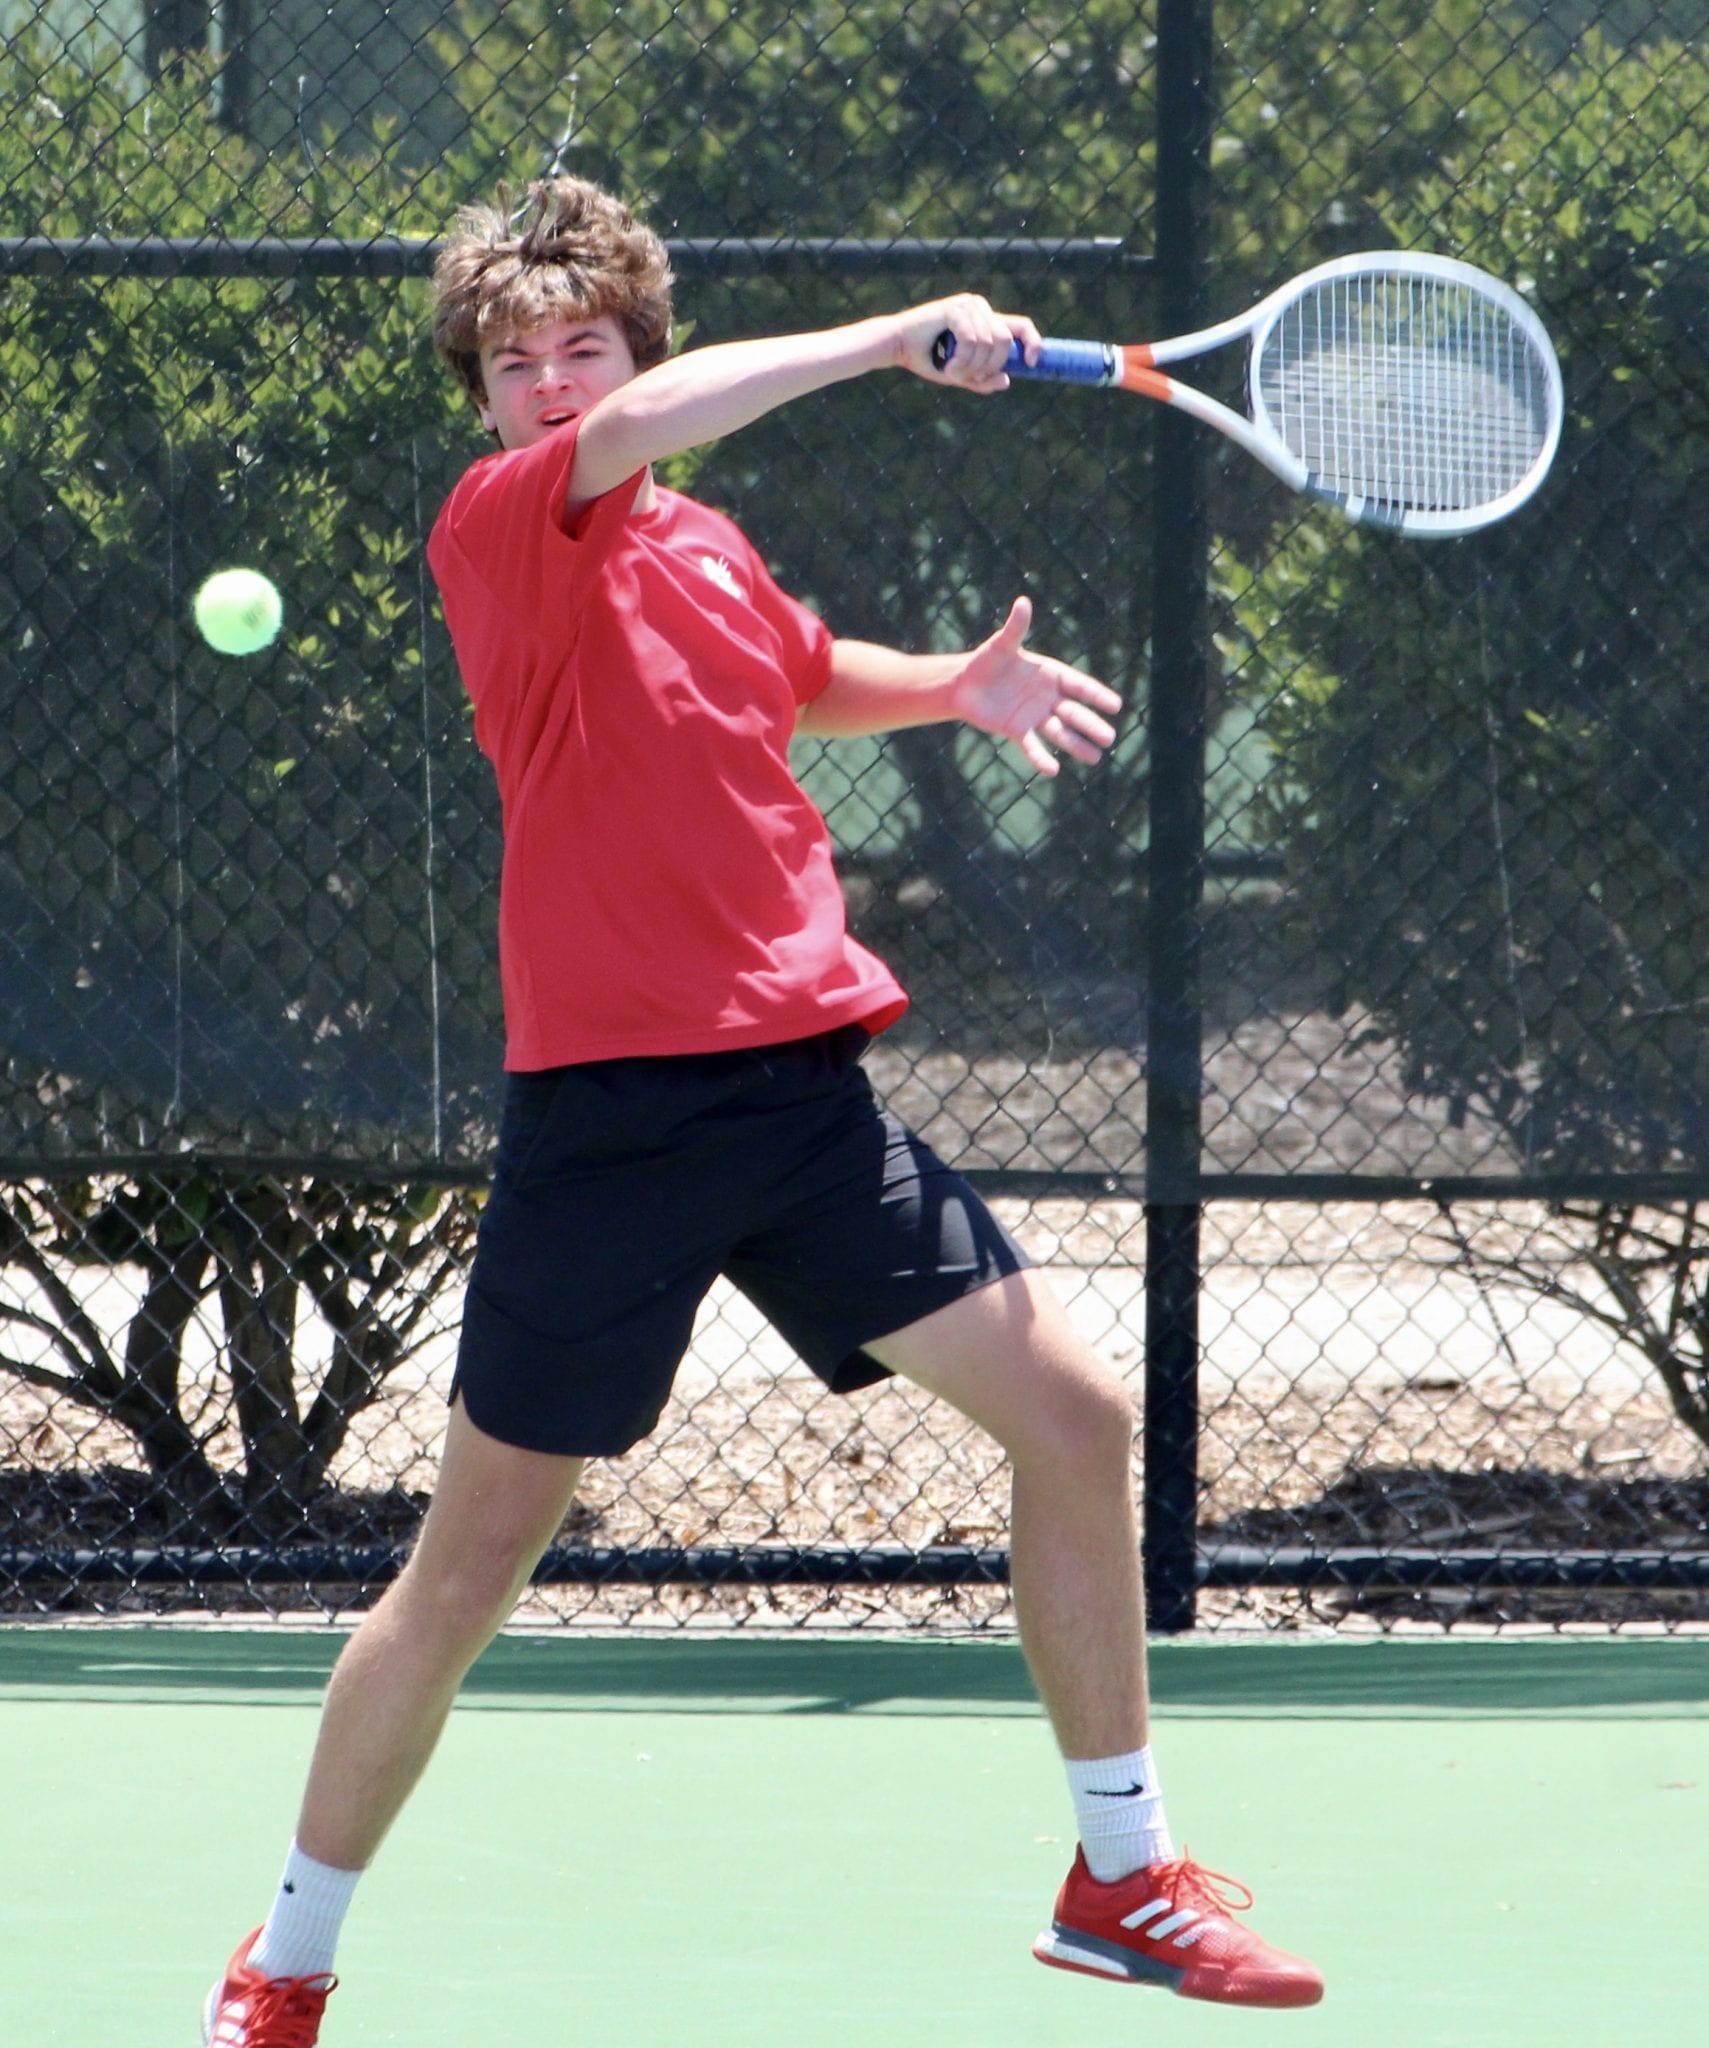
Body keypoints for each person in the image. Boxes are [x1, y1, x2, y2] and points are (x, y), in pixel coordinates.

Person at [201, 176, 1324, 2047]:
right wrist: (893, 340)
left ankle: (1118, 1876)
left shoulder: (704, 553)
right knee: (471, 1567)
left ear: (631, 342)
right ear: (485, 404)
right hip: (609, 1121)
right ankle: (288, 1960)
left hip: (801, 1101)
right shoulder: (506, 526)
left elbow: (795, 683)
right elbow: (645, 431)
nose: (555, 386)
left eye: (584, 350)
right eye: (514, 364)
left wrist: (952, 691)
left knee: (1073, 1417)